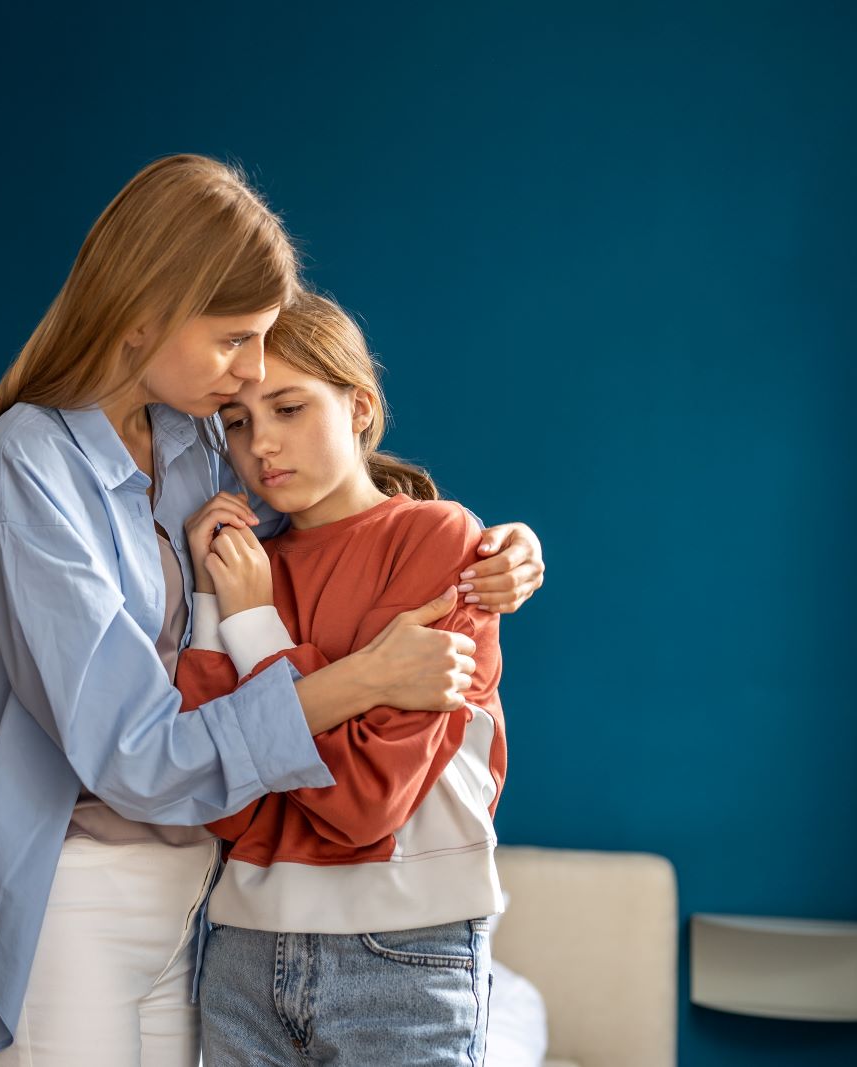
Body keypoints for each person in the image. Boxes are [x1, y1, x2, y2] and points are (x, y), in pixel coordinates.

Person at [0, 154, 546, 1066]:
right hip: (77, 889)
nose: (248, 380)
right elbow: (135, 751)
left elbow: (342, 503)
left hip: (208, 900)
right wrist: (362, 679)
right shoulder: (30, 469)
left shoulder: (197, 435)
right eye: (233, 340)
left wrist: (499, 547)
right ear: (145, 314)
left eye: (261, 351)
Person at [175, 293, 504, 1065]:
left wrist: (255, 628)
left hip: (404, 958)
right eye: (238, 420)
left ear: (360, 406)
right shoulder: (242, 565)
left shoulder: (439, 539)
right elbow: (214, 798)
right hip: (240, 958)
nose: (263, 445)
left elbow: (363, 804)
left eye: (289, 407)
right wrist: (206, 594)